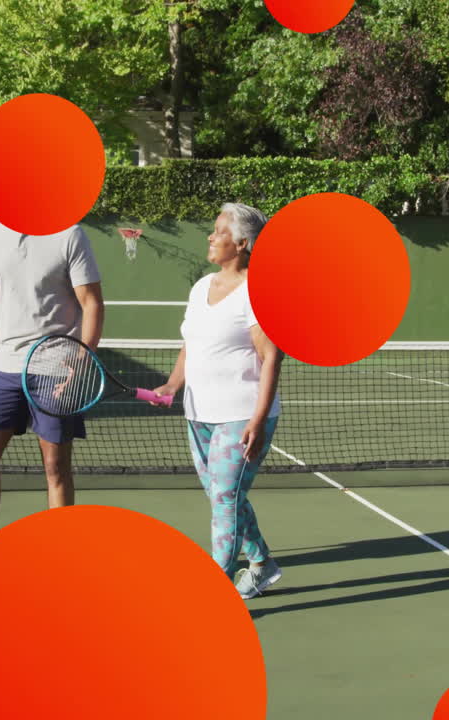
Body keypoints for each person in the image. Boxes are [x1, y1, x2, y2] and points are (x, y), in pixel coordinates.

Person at [0, 217, 104, 586]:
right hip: (4, 368)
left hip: (56, 365)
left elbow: (91, 303)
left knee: (55, 466)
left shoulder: (68, 233)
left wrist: (78, 366)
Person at [150, 202, 284, 599]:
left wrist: (257, 420)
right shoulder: (200, 287)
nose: (210, 236)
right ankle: (262, 564)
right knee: (222, 494)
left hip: (241, 415)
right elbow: (191, 344)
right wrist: (173, 385)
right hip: (198, 413)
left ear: (242, 243)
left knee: (224, 500)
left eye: (219, 231)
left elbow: (272, 356)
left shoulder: (256, 293)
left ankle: (213, 594)